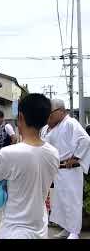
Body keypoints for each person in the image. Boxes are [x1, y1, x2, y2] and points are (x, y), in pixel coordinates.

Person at [0, 94, 59, 239]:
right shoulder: (54, 153)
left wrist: (3, 186)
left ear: (21, 117)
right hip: (40, 229)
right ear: (46, 119)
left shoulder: (8, 154)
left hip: (14, 231)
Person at [43, 99, 90, 239]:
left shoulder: (71, 123)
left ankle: (75, 231)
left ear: (61, 111)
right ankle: (67, 229)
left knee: (72, 201)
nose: (49, 117)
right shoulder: (54, 126)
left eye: (50, 114)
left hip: (70, 169)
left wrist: (76, 157)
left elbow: (85, 140)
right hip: (59, 170)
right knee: (61, 201)